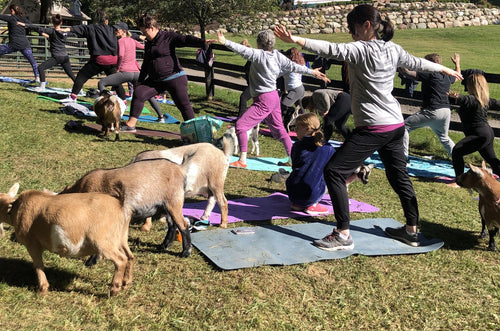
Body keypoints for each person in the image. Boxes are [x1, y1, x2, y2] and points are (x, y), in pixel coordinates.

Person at [274, 4, 462, 250]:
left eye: (352, 29)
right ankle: (411, 231)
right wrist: (445, 68)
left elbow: (330, 48)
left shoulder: (359, 49)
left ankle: (343, 234)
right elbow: (419, 62)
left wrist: (295, 39)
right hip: (395, 125)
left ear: (365, 26)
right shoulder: (392, 48)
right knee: (399, 176)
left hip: (374, 127)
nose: (351, 34)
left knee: (334, 171)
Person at [216, 29, 329, 168]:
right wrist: (312, 72)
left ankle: (242, 160)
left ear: (259, 43)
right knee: (280, 131)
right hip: (273, 97)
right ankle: (293, 159)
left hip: (264, 99)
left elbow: (241, 50)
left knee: (240, 126)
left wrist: (225, 41)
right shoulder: (277, 55)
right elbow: (294, 66)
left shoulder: (258, 55)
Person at [121, 14, 213, 132]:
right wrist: (140, 80)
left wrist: (203, 41)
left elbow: (185, 39)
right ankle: (130, 125)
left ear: (152, 28)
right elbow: (146, 62)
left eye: (145, 32)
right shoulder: (149, 42)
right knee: (139, 92)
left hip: (175, 78)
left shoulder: (168, 36)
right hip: (156, 80)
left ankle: (193, 133)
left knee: (183, 105)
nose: (144, 35)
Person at [97, 22, 164, 122]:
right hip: (137, 74)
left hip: (125, 73)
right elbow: (144, 47)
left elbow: (121, 55)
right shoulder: (132, 40)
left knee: (101, 83)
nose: (115, 31)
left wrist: (118, 68)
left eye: (117, 29)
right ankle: (161, 117)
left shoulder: (121, 41)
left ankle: (107, 108)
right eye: (115, 29)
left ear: (124, 31)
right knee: (148, 95)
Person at [401, 53, 459, 159]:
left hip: (432, 111)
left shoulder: (430, 73)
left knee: (404, 128)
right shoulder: (446, 75)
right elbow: (457, 76)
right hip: (446, 111)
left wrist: (398, 62)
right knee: (444, 138)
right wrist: (457, 63)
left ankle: (403, 158)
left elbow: (408, 72)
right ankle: (458, 160)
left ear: (432, 63)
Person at [59, 10, 124, 103]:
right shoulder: (112, 29)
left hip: (99, 60)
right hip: (112, 61)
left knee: (82, 76)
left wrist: (65, 29)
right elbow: (125, 34)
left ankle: (72, 97)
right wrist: (139, 37)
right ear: (106, 21)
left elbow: (79, 28)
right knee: (115, 81)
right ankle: (124, 101)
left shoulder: (92, 28)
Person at [449, 73, 500, 179]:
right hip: (487, 133)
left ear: (471, 85)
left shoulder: (471, 100)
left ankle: (459, 180)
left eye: (467, 84)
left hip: (480, 134)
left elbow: (462, 99)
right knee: (493, 161)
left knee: (457, 151)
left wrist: (454, 96)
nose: (466, 86)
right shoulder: (486, 100)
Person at [286, 113, 336, 215]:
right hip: (312, 192)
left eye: (297, 127)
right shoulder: (328, 148)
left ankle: (300, 204)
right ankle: (312, 204)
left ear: (307, 128)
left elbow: (295, 165)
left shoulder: (297, 146)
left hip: (292, 191)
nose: (295, 130)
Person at [18, 14, 76, 91]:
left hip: (57, 57)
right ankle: (79, 89)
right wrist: (45, 35)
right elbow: (56, 39)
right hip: (65, 56)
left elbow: (37, 27)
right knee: (70, 73)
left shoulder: (52, 31)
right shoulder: (64, 32)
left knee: (40, 68)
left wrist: (24, 24)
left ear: (52, 23)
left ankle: (42, 86)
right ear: (61, 22)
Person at [0, 5, 39, 82]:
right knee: (33, 62)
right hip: (25, 45)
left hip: (13, 44)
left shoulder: (11, 18)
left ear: (12, 10)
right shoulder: (23, 19)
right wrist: (25, 25)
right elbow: (33, 26)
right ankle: (37, 78)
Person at [281, 47, 306, 132]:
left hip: (295, 90)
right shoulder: (300, 64)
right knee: (302, 110)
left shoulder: (289, 66)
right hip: (300, 88)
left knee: (284, 105)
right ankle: (310, 125)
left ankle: (288, 123)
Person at [238, 39, 252, 118]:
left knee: (243, 97)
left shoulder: (252, 59)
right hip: (252, 83)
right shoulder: (250, 60)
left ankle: (241, 117)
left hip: (255, 84)